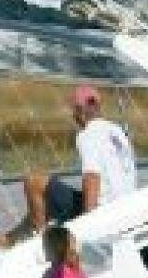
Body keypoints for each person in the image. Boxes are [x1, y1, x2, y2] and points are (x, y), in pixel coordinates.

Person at [20, 85, 137, 232]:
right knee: (46, 202)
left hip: (104, 214)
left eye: (73, 111)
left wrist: (89, 227)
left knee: (33, 181)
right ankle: (8, 239)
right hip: (126, 209)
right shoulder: (117, 131)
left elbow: (92, 179)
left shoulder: (88, 134)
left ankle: (41, 241)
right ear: (98, 107)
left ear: (79, 112)